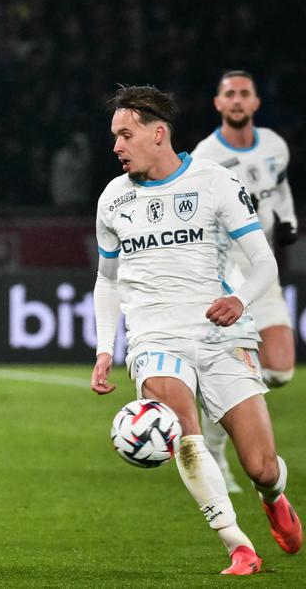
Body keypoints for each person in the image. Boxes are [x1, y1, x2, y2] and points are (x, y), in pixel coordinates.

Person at [90, 85, 302, 575]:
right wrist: (106, 347)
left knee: (261, 467)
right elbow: (106, 281)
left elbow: (264, 263)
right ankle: (238, 545)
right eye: (114, 136)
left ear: (157, 133)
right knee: (184, 432)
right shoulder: (113, 199)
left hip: (220, 335)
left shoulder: (214, 182)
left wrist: (239, 300)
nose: (116, 146)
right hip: (154, 338)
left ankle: (273, 498)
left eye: (125, 135)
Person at [191, 70, 298, 494]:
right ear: (218, 104)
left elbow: (279, 188)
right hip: (226, 275)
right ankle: (218, 446)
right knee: (240, 361)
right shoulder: (205, 155)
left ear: (255, 103)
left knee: (281, 370)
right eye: (229, 94)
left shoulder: (275, 145)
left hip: (262, 270)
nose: (237, 100)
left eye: (244, 94)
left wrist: (287, 219)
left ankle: (216, 419)